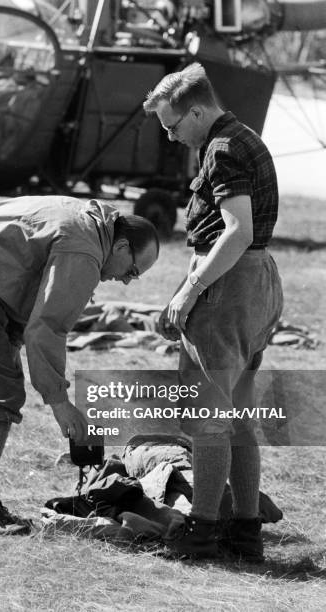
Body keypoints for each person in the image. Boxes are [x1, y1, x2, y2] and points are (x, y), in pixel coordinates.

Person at [0, 195, 159, 536]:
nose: (127, 281)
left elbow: (32, 296)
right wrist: (60, 404)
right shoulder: (86, 249)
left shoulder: (88, 220)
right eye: (132, 271)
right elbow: (47, 327)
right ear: (121, 246)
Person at [143, 62, 283, 562]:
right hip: (255, 280)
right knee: (238, 413)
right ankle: (245, 530)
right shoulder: (242, 136)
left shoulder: (221, 149)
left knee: (207, 416)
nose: (171, 136)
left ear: (197, 110)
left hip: (230, 286)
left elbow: (235, 231)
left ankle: (201, 531)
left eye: (173, 126)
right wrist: (182, 290)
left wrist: (191, 290)